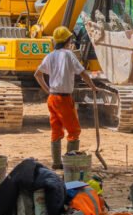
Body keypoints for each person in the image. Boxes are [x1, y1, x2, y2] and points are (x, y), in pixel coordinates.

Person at [34, 26, 98, 170]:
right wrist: (93, 86)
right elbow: (83, 73)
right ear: (67, 40)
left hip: (52, 98)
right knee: (74, 131)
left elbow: (37, 74)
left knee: (56, 130)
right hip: (63, 99)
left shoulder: (50, 56)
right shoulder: (69, 55)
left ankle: (57, 163)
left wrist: (48, 90)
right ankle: (70, 163)